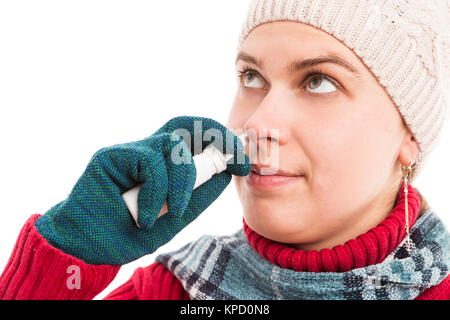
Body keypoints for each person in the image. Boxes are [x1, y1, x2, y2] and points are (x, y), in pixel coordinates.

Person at [1, 0, 449, 300]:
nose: (256, 124)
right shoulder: (173, 290)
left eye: (319, 81)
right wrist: (64, 259)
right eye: (252, 77)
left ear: (409, 134)